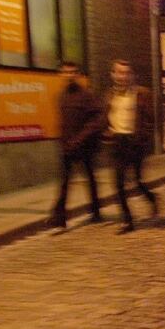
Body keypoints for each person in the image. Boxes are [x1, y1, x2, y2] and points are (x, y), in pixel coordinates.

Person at [48, 62, 104, 229]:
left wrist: (82, 137)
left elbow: (97, 119)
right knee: (64, 182)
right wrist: (63, 140)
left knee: (90, 179)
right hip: (67, 146)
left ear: (77, 74)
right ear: (61, 74)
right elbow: (64, 122)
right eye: (65, 72)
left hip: (84, 146)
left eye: (72, 72)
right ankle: (60, 218)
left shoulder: (86, 95)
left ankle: (95, 211)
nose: (69, 75)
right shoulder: (60, 96)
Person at [104, 59, 157, 234]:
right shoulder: (109, 95)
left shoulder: (141, 94)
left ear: (132, 75)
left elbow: (150, 120)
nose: (122, 76)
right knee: (118, 183)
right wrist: (108, 131)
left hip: (135, 142)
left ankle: (151, 198)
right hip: (118, 142)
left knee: (137, 181)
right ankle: (127, 220)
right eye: (119, 72)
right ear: (113, 74)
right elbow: (106, 115)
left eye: (126, 73)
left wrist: (143, 140)